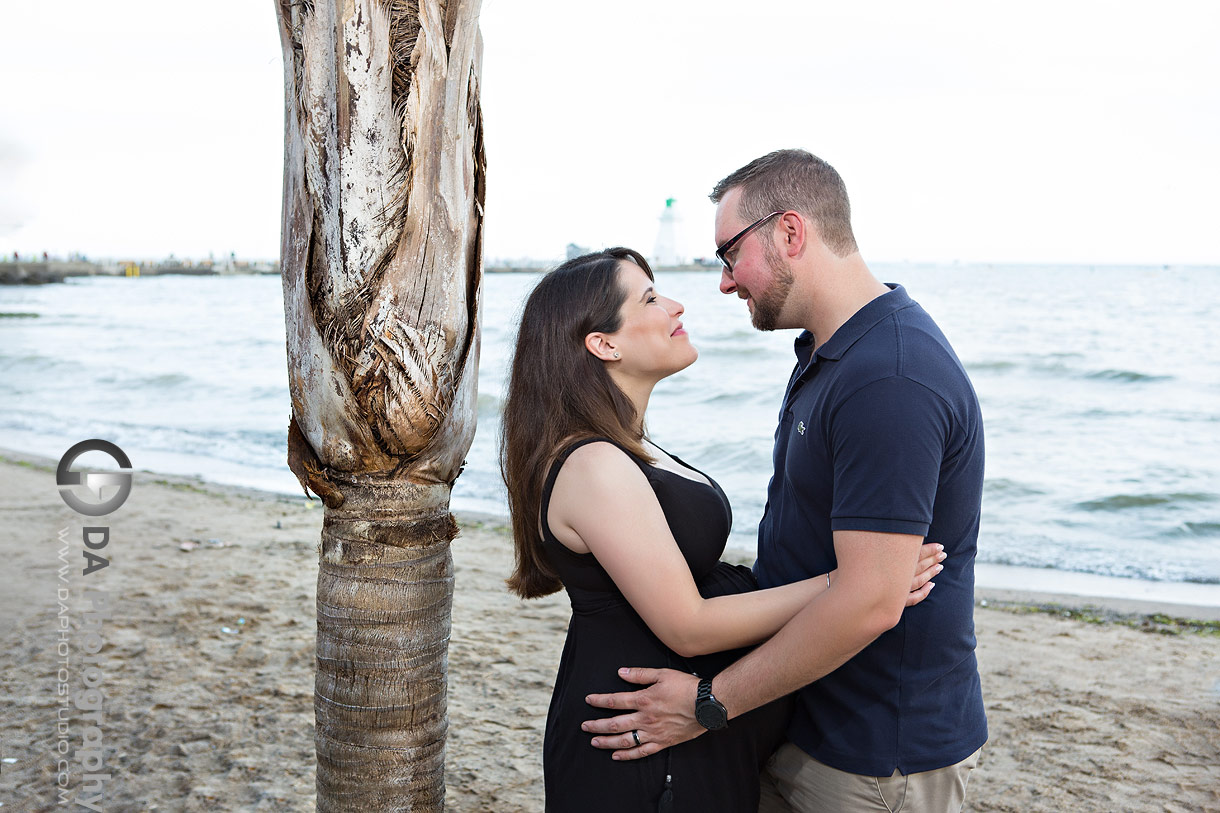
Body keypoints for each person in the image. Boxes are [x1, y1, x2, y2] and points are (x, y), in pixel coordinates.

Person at [581, 150, 988, 812]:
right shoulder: (834, 353)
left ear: (791, 233)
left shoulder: (889, 378)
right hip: (806, 719)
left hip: (873, 752)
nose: (723, 282)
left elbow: (869, 601)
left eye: (729, 254)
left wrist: (708, 705)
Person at [500, 246, 946, 812]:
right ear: (603, 343)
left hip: (676, 727)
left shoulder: (624, 448)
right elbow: (689, 625)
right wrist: (852, 586)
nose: (676, 305)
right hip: (642, 736)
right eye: (652, 298)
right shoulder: (594, 466)